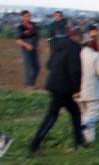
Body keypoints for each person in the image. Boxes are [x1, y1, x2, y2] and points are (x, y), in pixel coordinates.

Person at [26, 28, 84, 156]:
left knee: (75, 112)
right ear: (78, 37)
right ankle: (34, 146)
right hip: (63, 88)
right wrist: (77, 89)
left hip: (55, 84)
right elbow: (75, 70)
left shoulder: (59, 46)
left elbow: (49, 65)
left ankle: (79, 142)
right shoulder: (74, 48)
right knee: (51, 117)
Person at [77, 30, 99, 144]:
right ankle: (83, 127)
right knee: (94, 115)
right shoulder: (95, 55)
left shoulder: (76, 56)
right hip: (93, 90)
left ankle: (88, 140)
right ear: (89, 43)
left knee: (83, 114)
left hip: (78, 90)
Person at [16, 11, 40, 89]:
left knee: (37, 67)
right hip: (26, 50)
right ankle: (29, 85)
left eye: (29, 16)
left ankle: (32, 83)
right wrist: (26, 45)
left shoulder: (34, 25)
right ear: (22, 17)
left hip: (34, 49)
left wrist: (37, 46)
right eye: (26, 16)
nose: (28, 17)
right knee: (29, 67)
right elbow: (18, 40)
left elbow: (36, 37)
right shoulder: (20, 27)